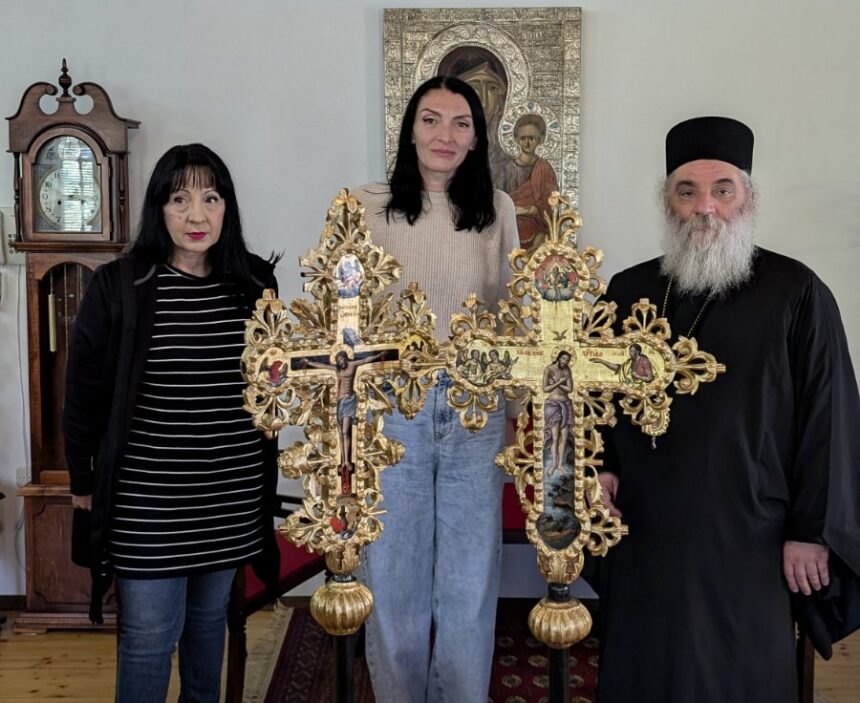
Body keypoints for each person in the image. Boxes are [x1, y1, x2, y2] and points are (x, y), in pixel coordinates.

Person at [594, 116, 860, 703]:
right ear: (667, 202)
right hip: (645, 529)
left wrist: (811, 532)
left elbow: (830, 419)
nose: (705, 208)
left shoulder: (796, 292)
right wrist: (602, 467)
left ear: (748, 198)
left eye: (722, 190)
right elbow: (593, 399)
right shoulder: (627, 292)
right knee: (643, 667)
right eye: (686, 192)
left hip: (750, 535)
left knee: (738, 672)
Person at [64, 144, 281, 703]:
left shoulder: (254, 283)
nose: (196, 215)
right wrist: (83, 481)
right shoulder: (120, 286)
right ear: (158, 208)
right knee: (149, 637)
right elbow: (83, 394)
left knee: (208, 625)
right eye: (179, 199)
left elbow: (273, 382)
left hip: (229, 493)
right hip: (149, 500)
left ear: (227, 207)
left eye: (211, 198)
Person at [353, 75, 519, 703]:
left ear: (477, 138)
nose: (444, 134)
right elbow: (345, 314)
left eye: (460, 122)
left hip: (476, 406)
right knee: (393, 569)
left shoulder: (497, 209)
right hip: (393, 405)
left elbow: (511, 312)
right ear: (410, 130)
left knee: (469, 577)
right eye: (431, 119)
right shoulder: (367, 206)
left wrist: (515, 407)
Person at [504, 113, 559, 251]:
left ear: (540, 139)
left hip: (537, 226)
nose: (527, 143)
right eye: (523, 138)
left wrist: (526, 211)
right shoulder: (507, 168)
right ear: (516, 139)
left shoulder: (545, 169)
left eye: (532, 138)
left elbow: (551, 200)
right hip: (510, 224)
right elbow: (499, 198)